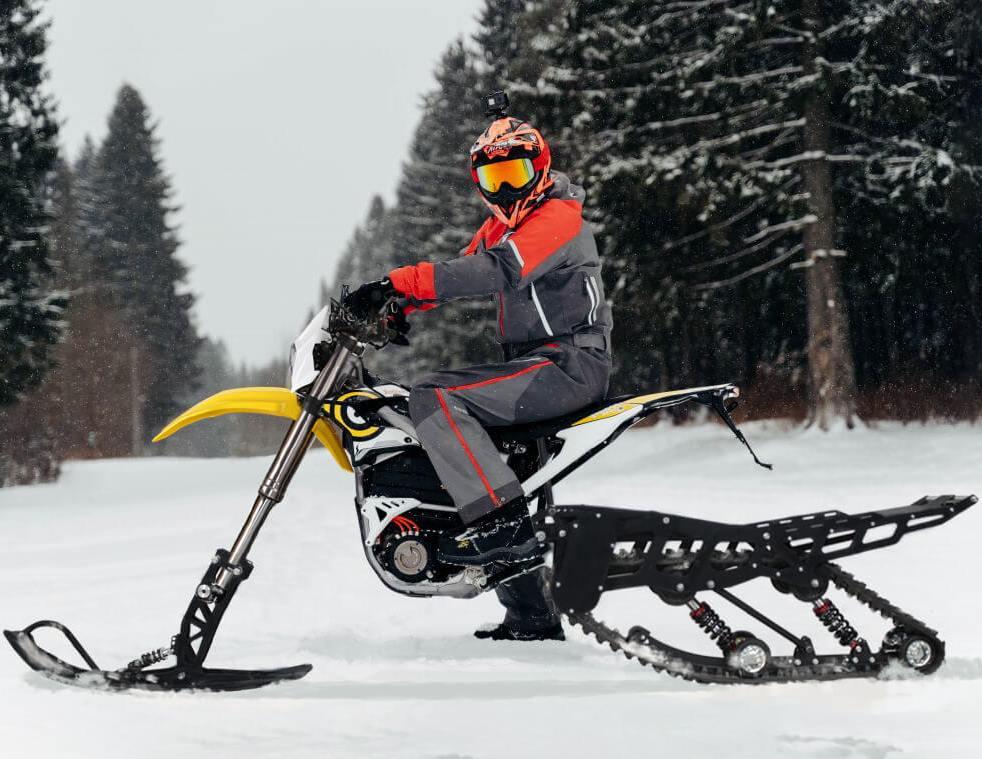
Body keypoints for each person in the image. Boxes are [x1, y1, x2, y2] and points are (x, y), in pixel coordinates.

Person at [346, 92, 612, 642]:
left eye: (515, 172)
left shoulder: (557, 218)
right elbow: (466, 269)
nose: (507, 188)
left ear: (539, 168)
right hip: (540, 364)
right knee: (493, 459)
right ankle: (531, 615)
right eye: (495, 179)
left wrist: (399, 281)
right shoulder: (500, 228)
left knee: (434, 398)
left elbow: (498, 271)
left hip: (569, 363)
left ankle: (502, 527)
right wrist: (394, 307)